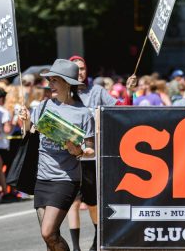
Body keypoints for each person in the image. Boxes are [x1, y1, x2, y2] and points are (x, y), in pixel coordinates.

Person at [18, 59, 95, 251]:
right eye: (49, 80)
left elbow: (91, 149)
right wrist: (25, 122)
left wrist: (77, 150)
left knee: (48, 232)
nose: (50, 84)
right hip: (42, 178)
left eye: (54, 80)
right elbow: (28, 133)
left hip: (65, 179)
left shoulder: (83, 113)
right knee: (50, 239)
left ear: (67, 83)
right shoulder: (43, 106)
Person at [67, 55, 136, 251]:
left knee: (92, 202)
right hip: (71, 154)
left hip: (93, 155)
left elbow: (120, 110)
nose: (79, 72)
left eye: (82, 68)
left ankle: (98, 237)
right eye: (75, 68)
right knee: (73, 200)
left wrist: (129, 92)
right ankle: (76, 247)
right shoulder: (65, 92)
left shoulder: (96, 91)